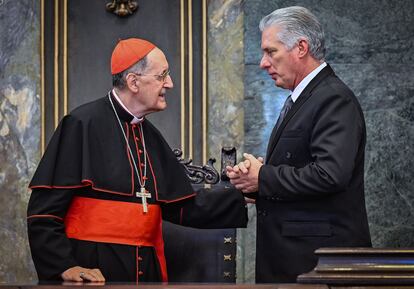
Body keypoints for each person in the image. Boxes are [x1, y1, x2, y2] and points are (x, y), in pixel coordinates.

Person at [27, 38, 247, 283]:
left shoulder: (150, 135)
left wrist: (244, 193)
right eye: (162, 75)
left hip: (147, 271)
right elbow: (43, 213)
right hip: (92, 269)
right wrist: (65, 266)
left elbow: (182, 206)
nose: (170, 83)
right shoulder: (81, 124)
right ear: (133, 81)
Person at [226, 6, 371, 283]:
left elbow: (330, 174)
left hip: (318, 264)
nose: (263, 63)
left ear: (301, 47)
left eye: (271, 52)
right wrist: (254, 184)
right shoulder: (304, 97)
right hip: (296, 260)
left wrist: (264, 177)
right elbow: (301, 169)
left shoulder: (333, 99)